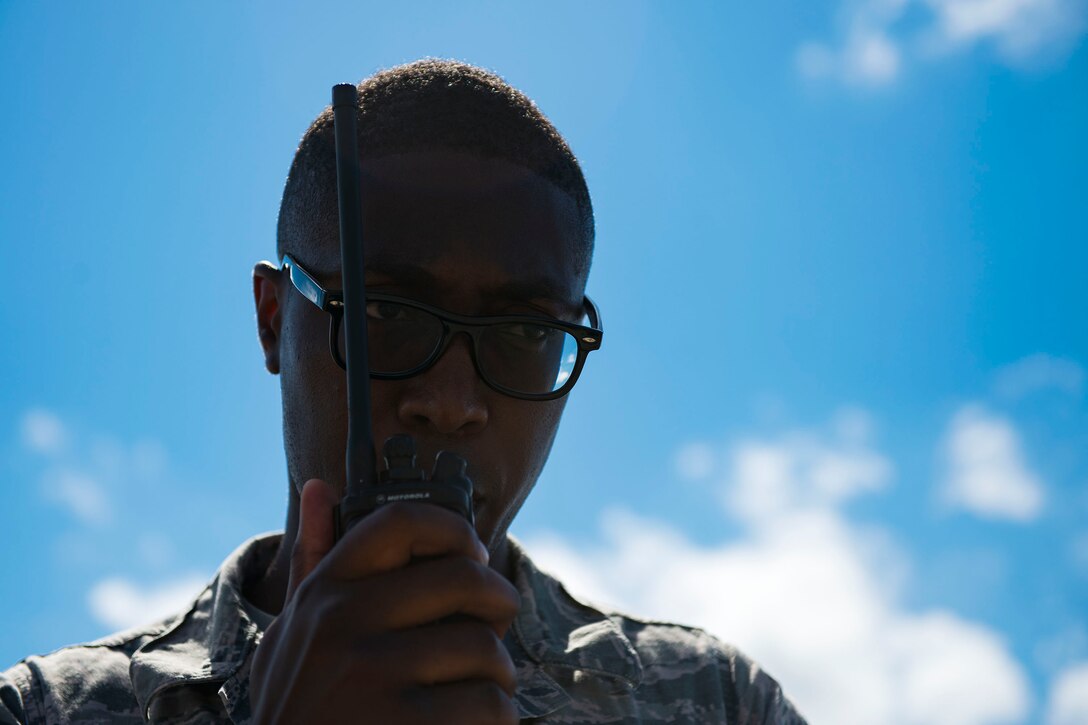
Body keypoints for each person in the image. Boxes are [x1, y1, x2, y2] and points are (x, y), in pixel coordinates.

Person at [0, 60, 807, 724]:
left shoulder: (716, 701)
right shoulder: (44, 711)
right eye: (385, 313)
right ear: (274, 319)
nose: (450, 399)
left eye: (525, 333)